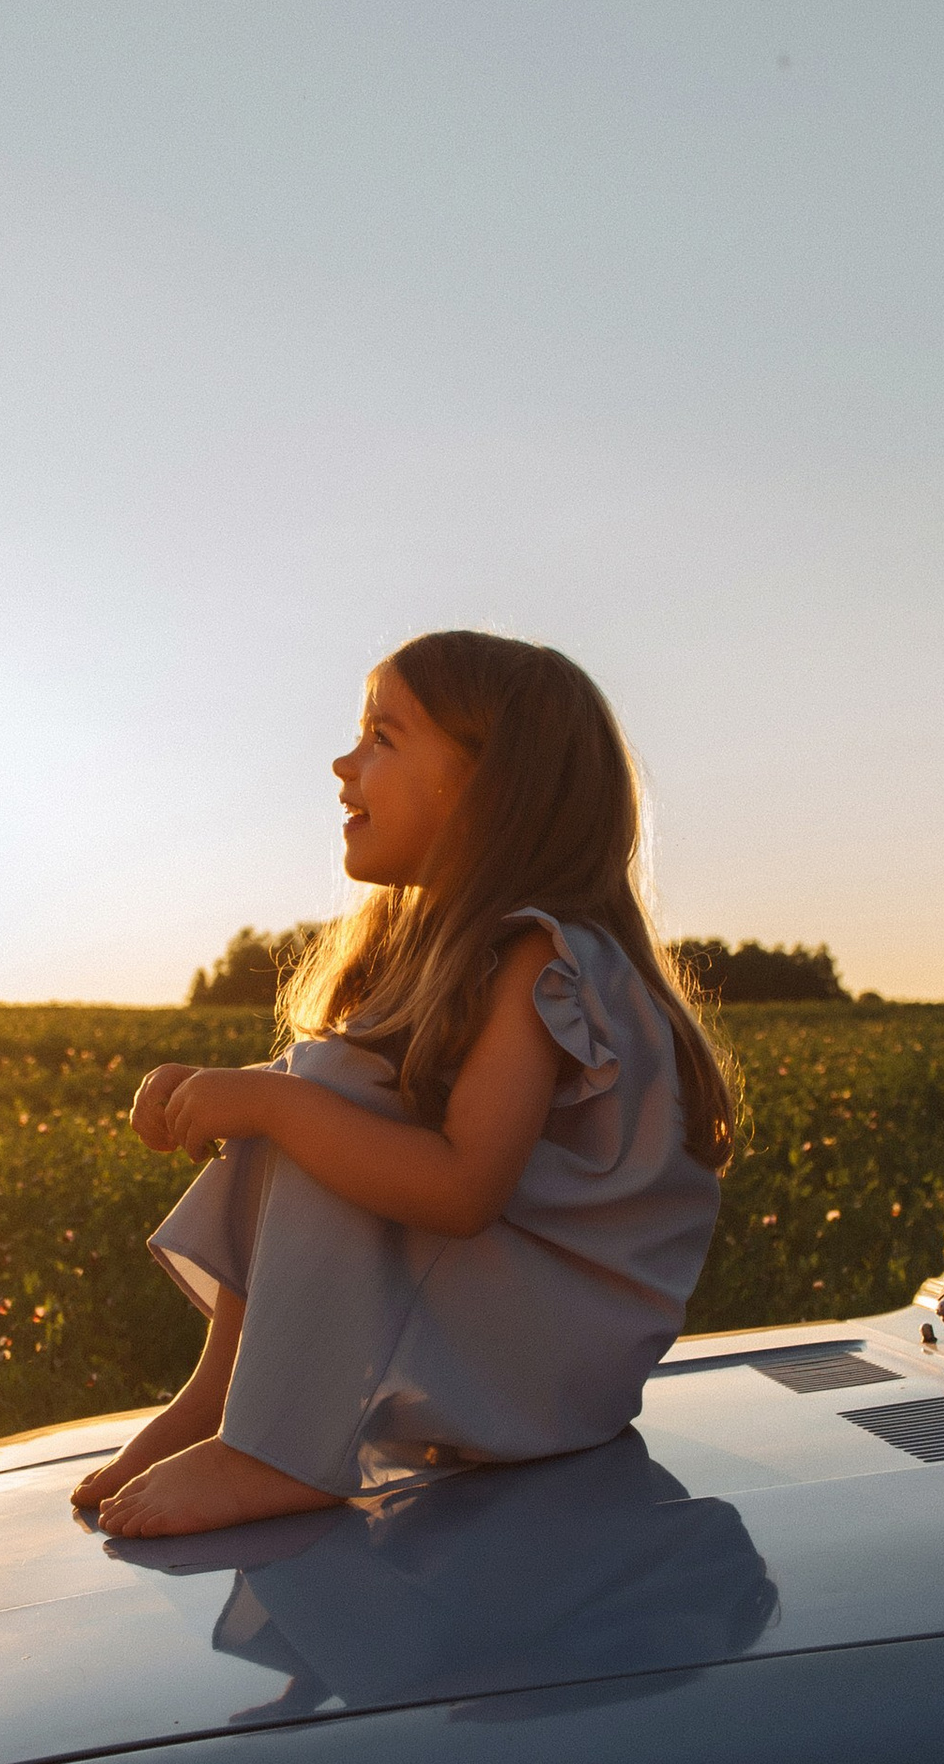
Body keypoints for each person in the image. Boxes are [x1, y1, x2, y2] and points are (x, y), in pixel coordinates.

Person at [73, 629, 735, 1538]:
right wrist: (230, 1092)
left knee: (312, 1096)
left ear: (490, 788)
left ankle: (280, 1449)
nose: (345, 764)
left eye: (382, 737)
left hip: (547, 1368)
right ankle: (223, 1397)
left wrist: (274, 1101)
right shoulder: (458, 957)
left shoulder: (539, 960)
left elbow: (463, 1189)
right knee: (306, 1089)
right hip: (516, 1337)